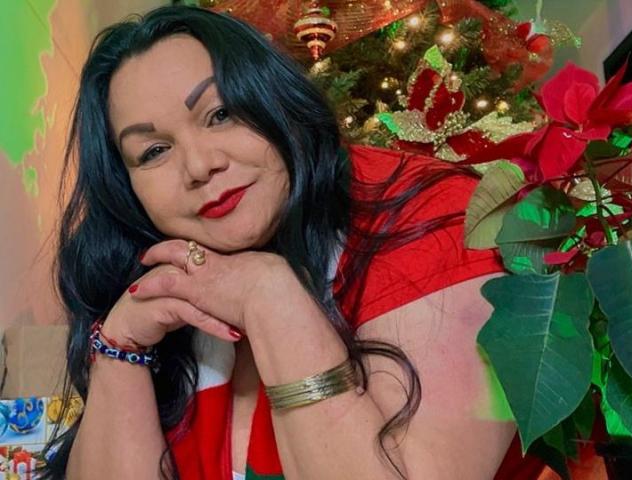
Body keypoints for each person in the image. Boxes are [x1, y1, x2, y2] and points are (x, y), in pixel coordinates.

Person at [45, 5, 530, 480]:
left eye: (220, 114)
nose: (199, 166)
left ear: (276, 97)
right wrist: (120, 347)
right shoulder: (159, 281)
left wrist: (270, 298)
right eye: (153, 151)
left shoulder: (430, 216)